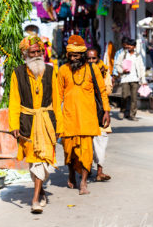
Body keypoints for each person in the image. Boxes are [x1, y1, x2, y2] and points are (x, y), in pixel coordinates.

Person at [8, 36, 63, 213]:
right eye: (33, 52)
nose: (37, 54)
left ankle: (35, 198)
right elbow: (14, 101)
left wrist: (59, 126)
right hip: (28, 122)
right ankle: (40, 192)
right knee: (34, 161)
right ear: (25, 54)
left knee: (43, 161)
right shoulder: (17, 73)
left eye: (39, 51)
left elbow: (56, 100)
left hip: (47, 122)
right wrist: (13, 125)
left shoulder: (50, 70)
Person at [58, 35, 110, 195]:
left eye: (77, 55)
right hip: (69, 118)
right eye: (71, 55)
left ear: (82, 55)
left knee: (86, 152)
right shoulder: (63, 70)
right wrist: (55, 116)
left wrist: (106, 111)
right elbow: (58, 95)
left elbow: (102, 91)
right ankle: (72, 174)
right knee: (69, 151)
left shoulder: (92, 69)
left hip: (88, 118)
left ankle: (83, 183)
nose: (73, 58)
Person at [87, 47, 112, 182]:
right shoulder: (82, 71)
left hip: (101, 110)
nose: (91, 61)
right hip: (86, 110)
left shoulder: (104, 72)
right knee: (87, 142)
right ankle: (87, 168)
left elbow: (107, 91)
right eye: (88, 59)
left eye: (93, 58)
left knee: (100, 141)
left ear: (98, 58)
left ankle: (100, 171)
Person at [115, 38, 147, 121]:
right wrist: (122, 70)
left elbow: (141, 68)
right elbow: (117, 64)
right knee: (124, 96)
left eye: (131, 45)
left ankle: (132, 115)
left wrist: (143, 80)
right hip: (125, 78)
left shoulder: (137, 56)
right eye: (128, 45)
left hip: (135, 79)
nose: (129, 46)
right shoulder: (123, 54)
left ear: (134, 47)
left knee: (134, 98)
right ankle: (122, 110)